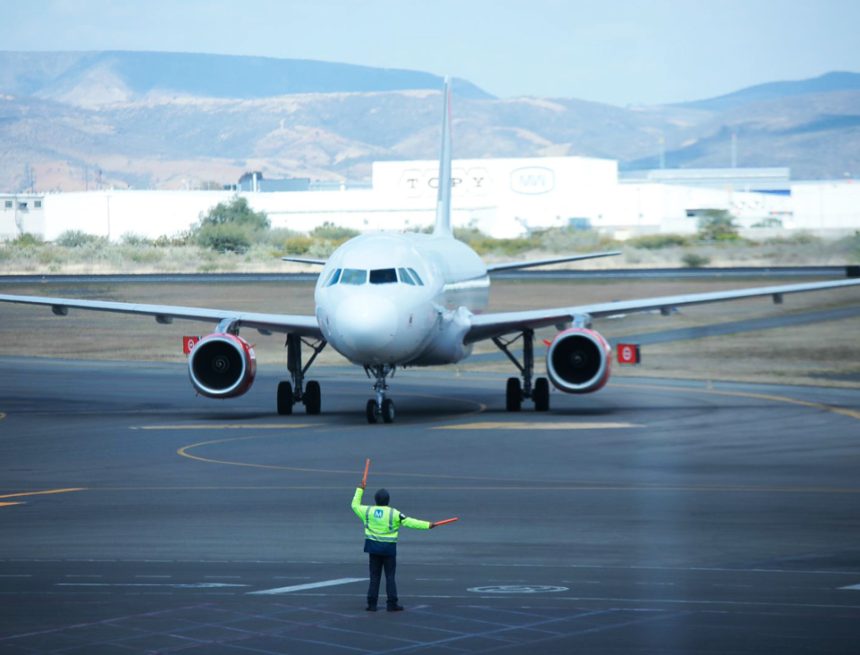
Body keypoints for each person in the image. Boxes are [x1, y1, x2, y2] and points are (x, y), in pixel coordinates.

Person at [351, 479, 434, 611]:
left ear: (375, 500)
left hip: (373, 549)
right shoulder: (394, 513)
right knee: (390, 577)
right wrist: (428, 525)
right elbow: (410, 522)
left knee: (374, 577)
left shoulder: (367, 511)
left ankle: (372, 604)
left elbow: (354, 505)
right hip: (388, 550)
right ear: (388, 500)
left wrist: (360, 489)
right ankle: (391, 603)